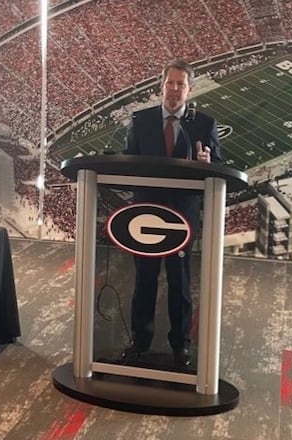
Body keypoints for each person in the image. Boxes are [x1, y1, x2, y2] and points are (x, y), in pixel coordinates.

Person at [122, 59, 222, 367]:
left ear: (190, 90)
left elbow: (218, 166)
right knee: (145, 279)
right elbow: (127, 163)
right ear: (161, 86)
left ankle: (181, 344)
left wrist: (208, 163)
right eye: (170, 83)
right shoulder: (141, 120)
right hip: (146, 214)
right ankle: (140, 340)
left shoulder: (204, 124)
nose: (175, 89)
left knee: (180, 282)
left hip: (182, 214)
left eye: (181, 84)